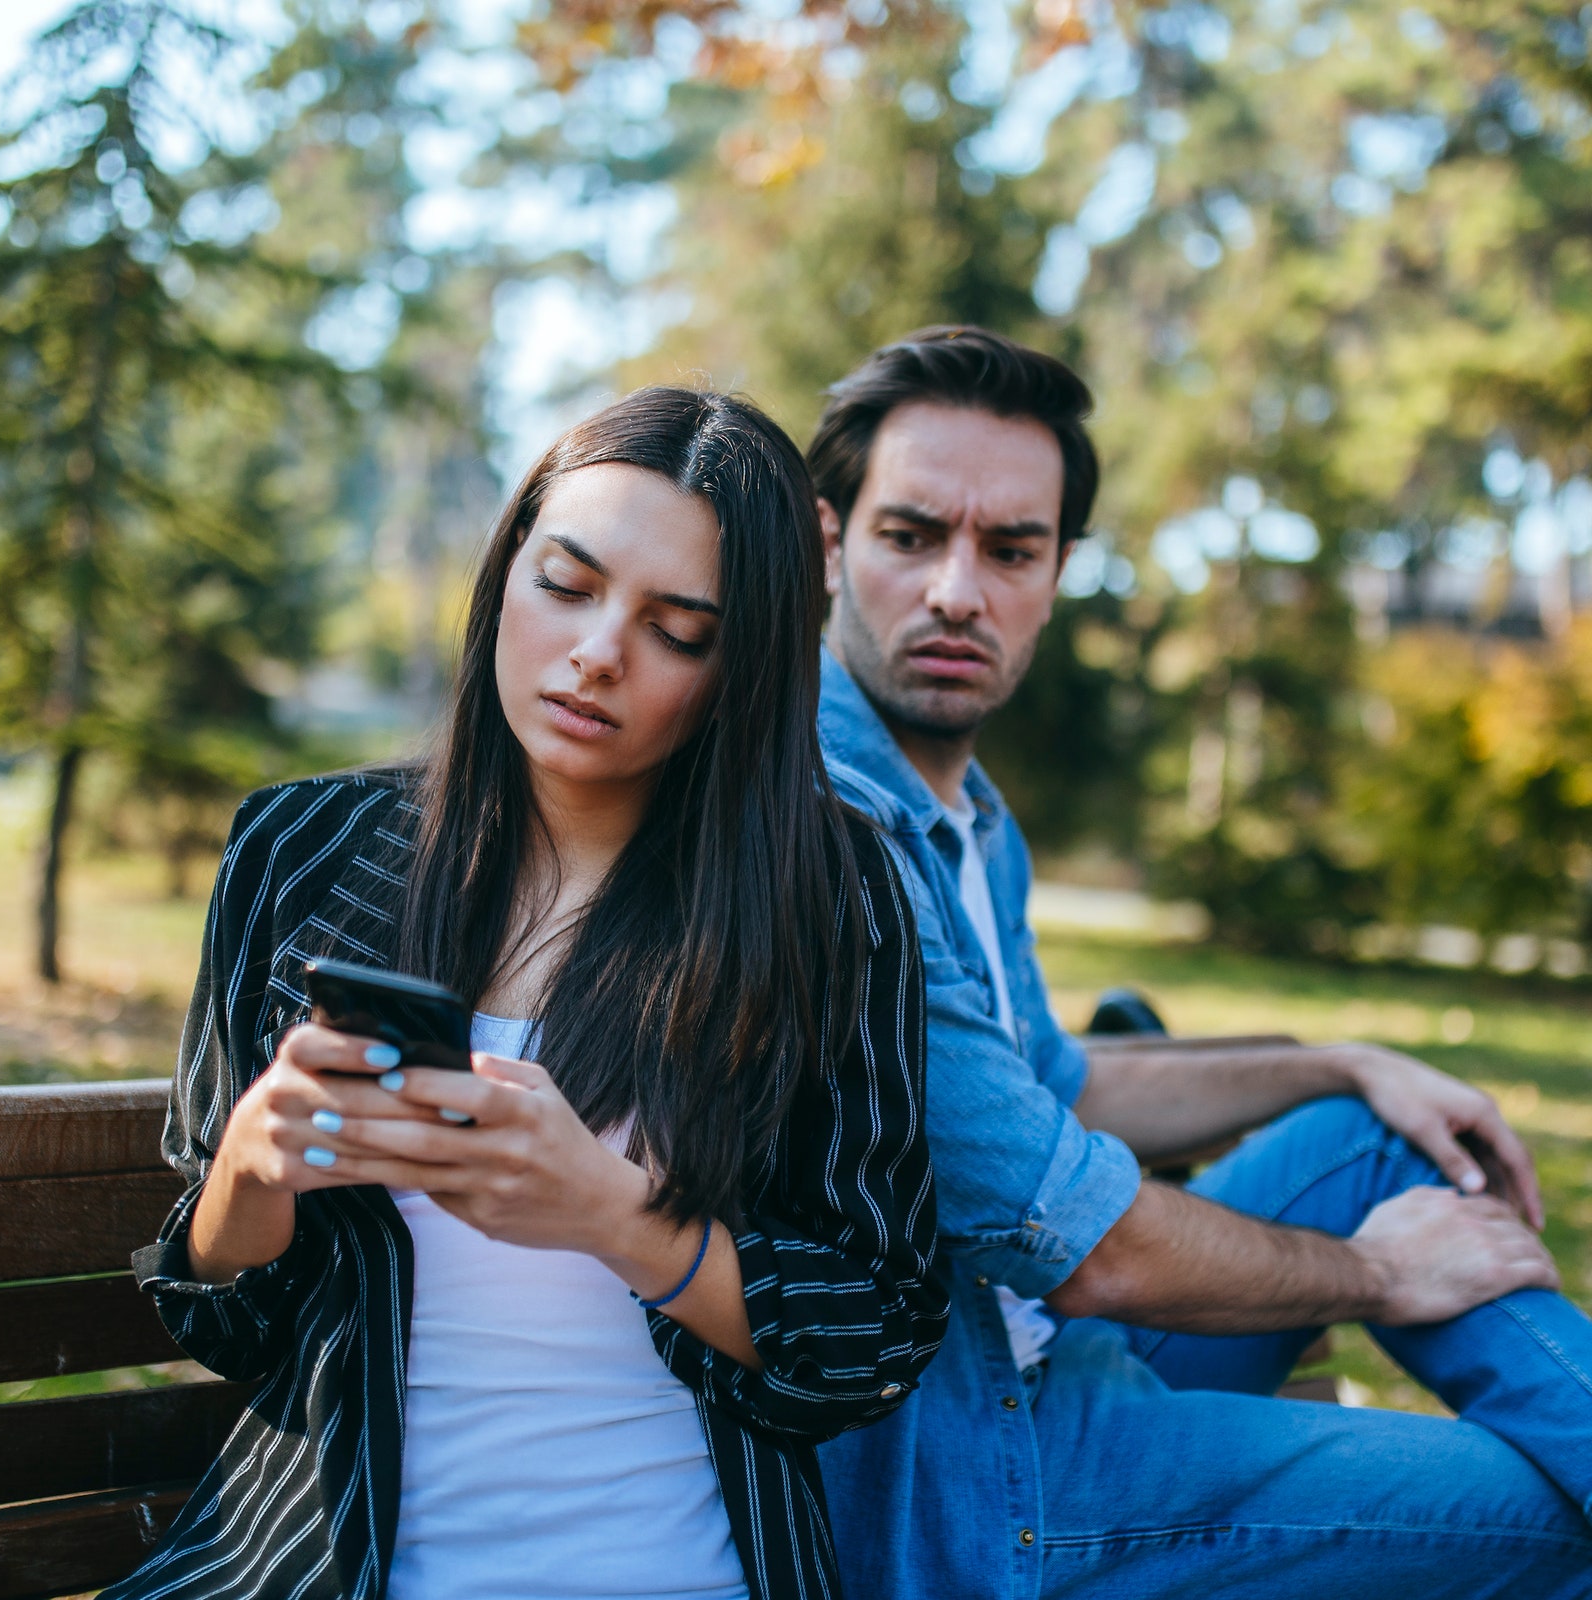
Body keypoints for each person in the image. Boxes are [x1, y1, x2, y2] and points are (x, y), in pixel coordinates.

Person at [105, 387, 947, 1600]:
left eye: (679, 629)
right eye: (567, 582)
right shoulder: (302, 853)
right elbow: (228, 1328)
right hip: (328, 1569)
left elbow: (870, 1336)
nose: (598, 649)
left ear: (739, 671)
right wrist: (252, 1167)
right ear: (508, 574)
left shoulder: (825, 895)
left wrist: (611, 1213)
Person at [810, 327, 1592, 1599]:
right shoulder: (826, 822)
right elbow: (1083, 1243)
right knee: (1548, 1527)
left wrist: (1340, 1058)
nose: (959, 590)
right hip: (972, 1477)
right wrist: (1386, 1276)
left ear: (1057, 571)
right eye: (911, 537)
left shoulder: (969, 817)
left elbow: (1054, 1082)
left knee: (1377, 1132)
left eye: (1010, 549)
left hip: (1062, 1353)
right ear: (830, 541)